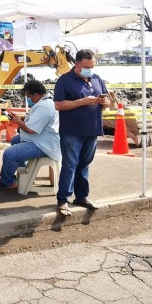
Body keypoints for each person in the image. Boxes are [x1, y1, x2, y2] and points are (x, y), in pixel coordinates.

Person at [53, 49, 110, 216]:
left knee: (84, 165)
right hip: (72, 131)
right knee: (70, 165)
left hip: (92, 130)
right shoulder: (65, 80)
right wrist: (83, 102)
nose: (90, 69)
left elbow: (107, 102)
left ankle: (82, 197)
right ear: (76, 64)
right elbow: (58, 105)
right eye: (86, 66)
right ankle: (63, 199)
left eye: (92, 66)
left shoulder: (97, 78)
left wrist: (104, 102)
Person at [0, 79, 60, 191]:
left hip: (44, 145)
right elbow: (35, 120)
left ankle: (7, 182)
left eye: (29, 97)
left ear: (36, 95)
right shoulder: (46, 102)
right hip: (43, 139)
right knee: (15, 140)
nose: (29, 100)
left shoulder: (44, 107)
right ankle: (24, 174)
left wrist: (18, 121)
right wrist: (21, 118)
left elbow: (30, 130)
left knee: (10, 154)